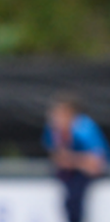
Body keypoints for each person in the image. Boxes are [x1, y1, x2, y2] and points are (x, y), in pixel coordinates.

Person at [43, 91, 109, 222]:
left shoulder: (84, 128)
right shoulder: (53, 129)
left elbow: (96, 162)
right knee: (68, 198)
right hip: (71, 170)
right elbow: (57, 157)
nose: (55, 117)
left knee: (75, 195)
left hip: (89, 170)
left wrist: (72, 160)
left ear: (70, 114)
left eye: (60, 113)